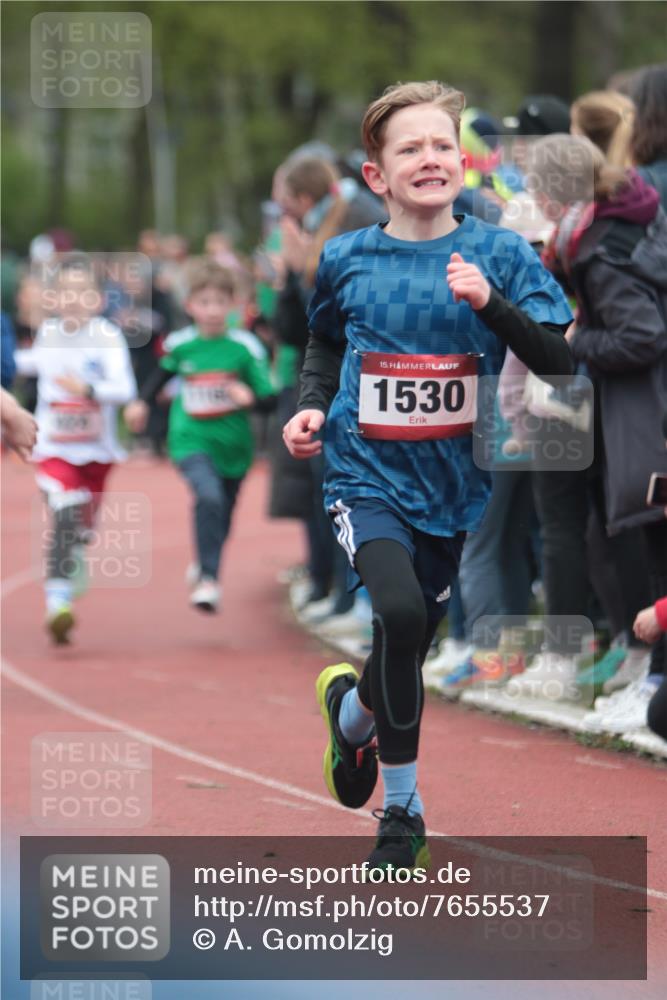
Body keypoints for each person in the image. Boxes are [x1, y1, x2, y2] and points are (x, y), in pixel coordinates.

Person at [283, 80, 573, 872]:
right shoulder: (346, 257)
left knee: (404, 647)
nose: (429, 158)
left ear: (463, 162)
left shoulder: (500, 253)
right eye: (409, 147)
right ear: (376, 174)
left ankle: (351, 716)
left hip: (451, 486)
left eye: (442, 144)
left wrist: (492, 309)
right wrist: (311, 408)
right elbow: (325, 346)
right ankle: (402, 813)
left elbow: (561, 357)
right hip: (361, 471)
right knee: (399, 615)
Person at [124, 260, 275, 613]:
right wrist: (140, 404)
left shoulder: (245, 347)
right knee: (207, 497)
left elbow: (269, 399)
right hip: (190, 439)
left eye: (220, 302)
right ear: (190, 305)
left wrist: (248, 397)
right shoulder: (180, 345)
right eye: (204, 302)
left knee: (222, 514)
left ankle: (205, 561)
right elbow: (158, 380)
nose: (212, 311)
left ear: (233, 305)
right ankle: (209, 578)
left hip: (235, 447)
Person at [14, 255, 136, 644]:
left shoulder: (108, 337)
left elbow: (125, 389)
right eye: (65, 292)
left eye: (82, 292)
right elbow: (25, 363)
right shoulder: (48, 333)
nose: (73, 300)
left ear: (97, 299)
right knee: (65, 511)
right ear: (54, 299)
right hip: (53, 447)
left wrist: (86, 390)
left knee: (82, 529)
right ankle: (58, 603)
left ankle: (74, 557)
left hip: (98, 453)